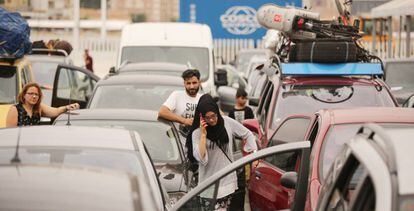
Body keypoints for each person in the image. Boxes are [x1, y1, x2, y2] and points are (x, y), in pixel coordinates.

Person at [188, 94, 257, 210]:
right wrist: (204, 135)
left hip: (228, 182)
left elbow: (248, 134)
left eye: (214, 116)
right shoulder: (197, 133)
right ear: (201, 117)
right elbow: (200, 157)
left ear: (217, 112)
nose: (211, 120)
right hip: (208, 185)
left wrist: (253, 155)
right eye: (207, 117)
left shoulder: (227, 122)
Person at [158, 69, 202, 146]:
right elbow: (162, 112)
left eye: (194, 83)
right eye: (188, 83)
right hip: (180, 146)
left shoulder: (203, 98)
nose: (191, 86)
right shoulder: (177, 95)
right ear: (184, 84)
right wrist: (184, 121)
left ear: (199, 82)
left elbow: (219, 115)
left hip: (198, 146)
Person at [6, 83, 80, 127]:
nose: (34, 96)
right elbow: (10, 133)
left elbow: (55, 111)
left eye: (36, 94)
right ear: (24, 95)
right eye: (31, 93)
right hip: (19, 146)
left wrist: (67, 107)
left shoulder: (39, 107)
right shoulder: (15, 109)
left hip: (34, 145)